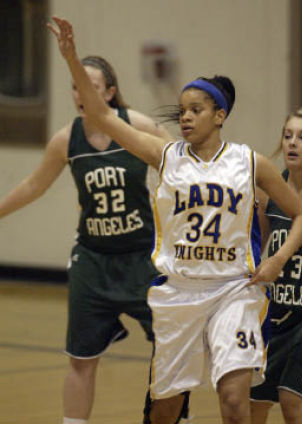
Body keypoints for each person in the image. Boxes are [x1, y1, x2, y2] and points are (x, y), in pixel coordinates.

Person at [48, 16, 302, 424]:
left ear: (219, 115)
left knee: (233, 402)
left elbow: (301, 217)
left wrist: (277, 260)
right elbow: (101, 116)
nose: (185, 117)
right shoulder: (165, 155)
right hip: (180, 292)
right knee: (166, 408)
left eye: (196, 110)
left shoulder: (249, 162)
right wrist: (69, 58)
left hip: (234, 290)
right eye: (182, 111)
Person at [0, 49, 189, 423]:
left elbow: (179, 160)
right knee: (81, 358)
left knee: (171, 349)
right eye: (74, 85)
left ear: (109, 93)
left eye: (89, 85)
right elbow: (34, 184)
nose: (79, 92)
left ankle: (177, 417)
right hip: (93, 260)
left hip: (144, 258)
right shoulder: (66, 139)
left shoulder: (136, 126)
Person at [250, 107, 302, 424]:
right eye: (288, 136)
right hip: (275, 313)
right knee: (251, 404)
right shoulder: (270, 188)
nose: (292, 143)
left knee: (293, 401)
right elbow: (255, 249)